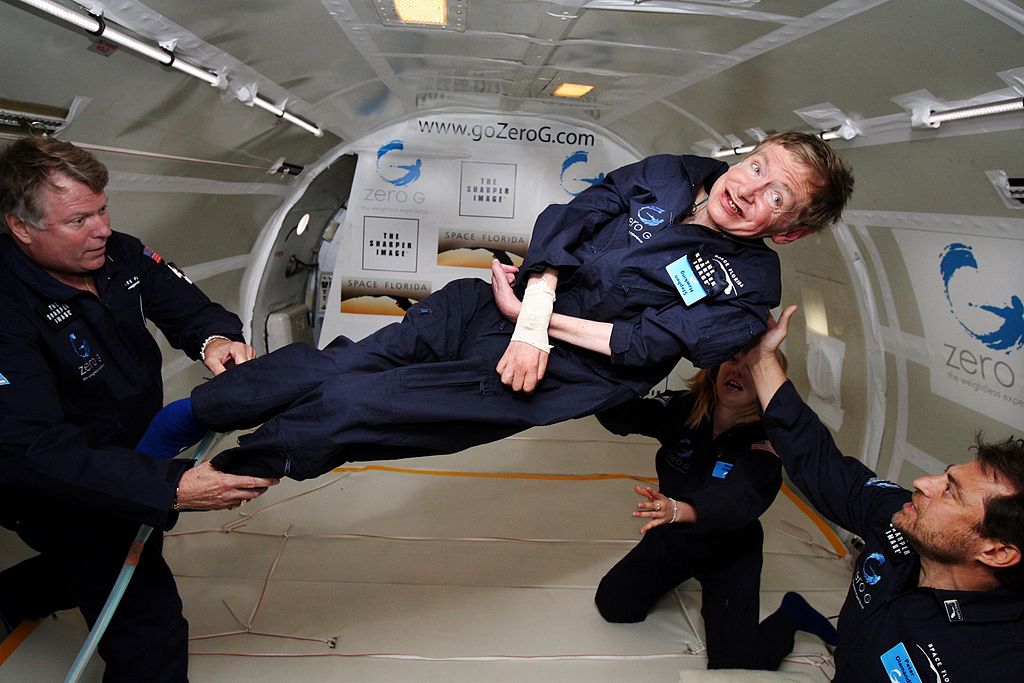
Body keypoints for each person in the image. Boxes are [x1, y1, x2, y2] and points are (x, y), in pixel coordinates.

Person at [185, 131, 853, 480]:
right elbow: (576, 213)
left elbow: (646, 345)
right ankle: (195, 416)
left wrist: (536, 330)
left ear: (788, 230)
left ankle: (226, 474)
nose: (752, 188)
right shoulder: (674, 172)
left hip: (549, 372)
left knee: (361, 405)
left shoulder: (749, 285)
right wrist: (530, 305)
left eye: (777, 198)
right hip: (491, 306)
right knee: (339, 368)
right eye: (760, 165)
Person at [0, 136, 278, 682]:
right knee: (148, 630)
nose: (101, 227)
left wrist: (215, 341)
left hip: (129, 449)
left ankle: (14, 592)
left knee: (104, 555)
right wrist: (167, 486)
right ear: (20, 227)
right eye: (79, 219)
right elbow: (32, 450)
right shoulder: (7, 306)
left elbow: (190, 309)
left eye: (103, 208)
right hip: (54, 482)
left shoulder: (119, 253)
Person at [744, 305, 1024, 681]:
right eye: (946, 475)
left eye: (951, 493)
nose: (924, 483)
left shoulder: (996, 663)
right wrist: (762, 358)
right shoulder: (901, 521)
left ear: (997, 551)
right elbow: (820, 464)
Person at [594, 354, 839, 669]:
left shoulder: (766, 438)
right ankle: (676, 572)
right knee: (614, 605)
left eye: (751, 368)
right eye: (733, 360)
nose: (737, 369)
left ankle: (792, 615)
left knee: (735, 662)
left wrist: (679, 509)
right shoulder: (685, 408)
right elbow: (626, 415)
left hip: (729, 549)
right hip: (676, 535)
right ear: (717, 367)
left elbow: (740, 498)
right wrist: (596, 381)